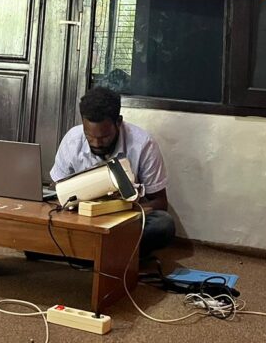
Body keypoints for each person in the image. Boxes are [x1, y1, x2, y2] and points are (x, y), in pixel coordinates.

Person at [51, 87, 175, 256]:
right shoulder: (72, 140)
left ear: (118, 122)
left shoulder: (143, 144)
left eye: (104, 137)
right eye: (89, 137)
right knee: (43, 223)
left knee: (163, 225)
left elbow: (160, 202)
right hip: (81, 217)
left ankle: (92, 254)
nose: (96, 144)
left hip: (123, 219)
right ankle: (112, 254)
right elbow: (57, 191)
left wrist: (125, 209)